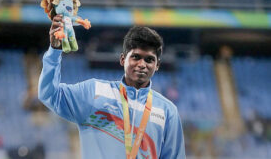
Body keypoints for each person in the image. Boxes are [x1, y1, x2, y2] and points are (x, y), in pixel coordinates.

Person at [38, 14, 186, 159]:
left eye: (149, 60)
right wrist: (54, 51)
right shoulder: (94, 92)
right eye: (136, 57)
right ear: (123, 59)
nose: (142, 64)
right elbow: (50, 94)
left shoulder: (167, 111)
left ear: (157, 65)